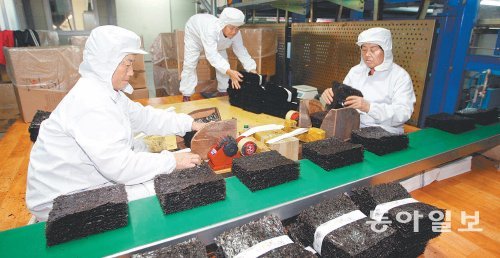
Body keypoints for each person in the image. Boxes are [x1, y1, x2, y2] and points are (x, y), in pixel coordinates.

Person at [26, 26, 204, 221]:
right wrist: (172, 161)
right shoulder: (91, 101)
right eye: (127, 64)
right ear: (106, 62)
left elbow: (144, 117)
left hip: (85, 180)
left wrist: (191, 124)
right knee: (160, 190)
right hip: (61, 200)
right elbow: (121, 167)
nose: (131, 72)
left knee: (149, 160)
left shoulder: (105, 90)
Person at [321, 27, 416, 134]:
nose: (367, 54)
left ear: (385, 50)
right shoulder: (355, 72)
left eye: (373, 49)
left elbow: (402, 114)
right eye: (364, 49)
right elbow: (343, 103)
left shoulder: (400, 76)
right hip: (352, 129)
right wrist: (332, 96)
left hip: (385, 134)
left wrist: (369, 107)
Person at [180, 7, 257, 102]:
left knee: (224, 63)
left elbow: (241, 51)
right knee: (190, 64)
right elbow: (212, 55)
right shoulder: (210, 30)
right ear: (223, 24)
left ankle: (223, 91)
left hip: (217, 42)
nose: (234, 32)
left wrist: (252, 69)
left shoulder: (236, 33)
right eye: (231, 28)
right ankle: (186, 95)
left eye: (237, 28)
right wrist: (229, 71)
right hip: (194, 34)